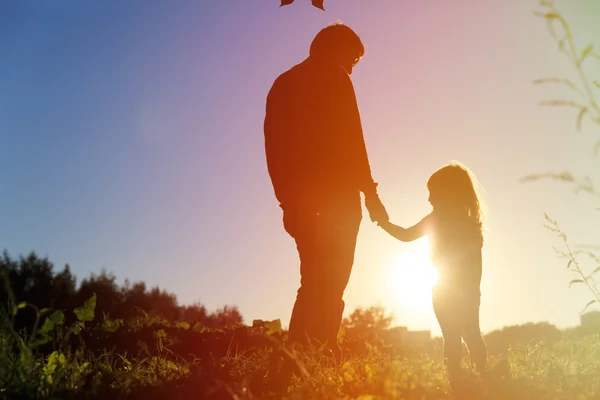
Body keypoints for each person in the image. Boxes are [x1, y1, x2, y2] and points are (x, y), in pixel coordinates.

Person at [263, 23, 389, 365]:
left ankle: (298, 358)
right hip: (337, 199)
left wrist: (287, 202)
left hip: (299, 202)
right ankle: (319, 355)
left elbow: (273, 150)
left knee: (313, 278)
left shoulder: (281, 84)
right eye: (352, 59)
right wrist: (372, 196)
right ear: (336, 49)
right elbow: (352, 140)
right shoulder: (334, 75)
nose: (351, 68)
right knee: (331, 279)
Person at [379, 162, 487, 381]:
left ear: (448, 193)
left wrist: (383, 223)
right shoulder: (455, 222)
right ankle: (467, 378)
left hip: (456, 290)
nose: (429, 199)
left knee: (462, 335)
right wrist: (384, 223)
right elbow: (407, 235)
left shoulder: (462, 225)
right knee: (463, 335)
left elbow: (406, 235)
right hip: (450, 289)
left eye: (433, 193)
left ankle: (470, 377)